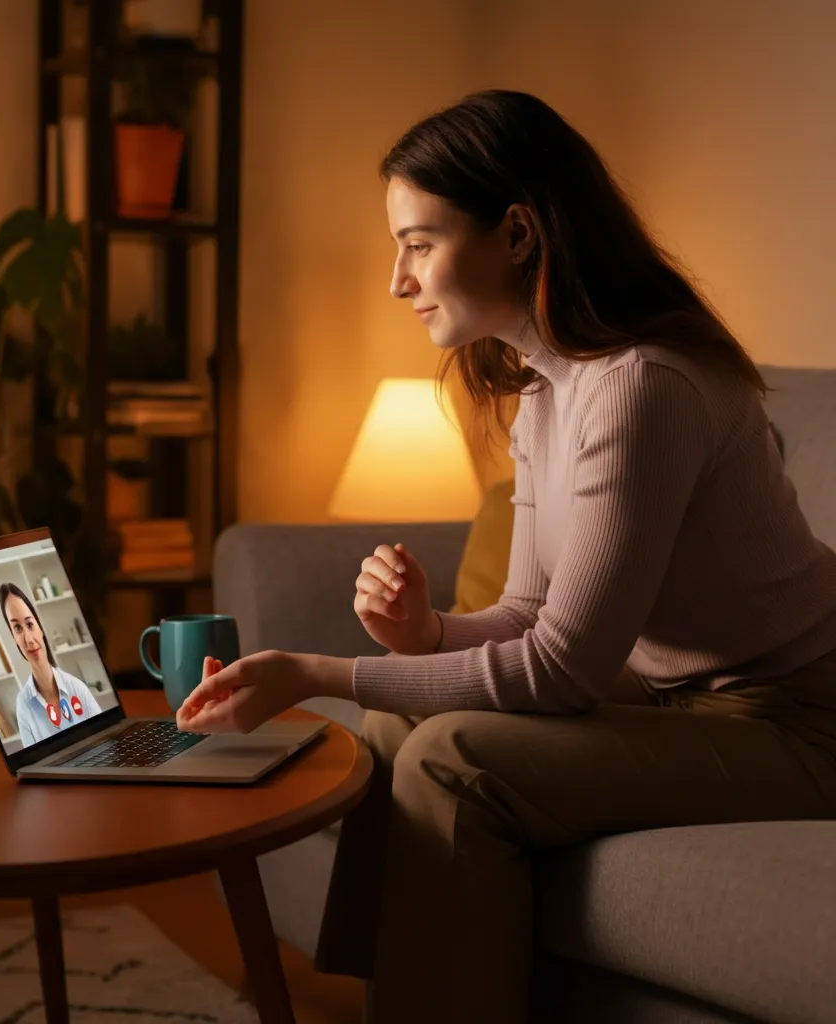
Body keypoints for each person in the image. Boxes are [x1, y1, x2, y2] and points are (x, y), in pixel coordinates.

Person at [175, 90, 836, 1022]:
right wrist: (428, 629)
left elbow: (563, 672)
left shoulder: (642, 389)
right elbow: (532, 615)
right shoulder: (547, 392)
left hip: (807, 719)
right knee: (401, 735)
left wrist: (314, 671)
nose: (397, 282)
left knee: (454, 761)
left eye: (417, 243)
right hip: (696, 701)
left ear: (518, 232)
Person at [0, 582, 102, 748]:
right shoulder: (24, 704)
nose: (29, 639)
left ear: (40, 628)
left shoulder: (77, 688)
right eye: (17, 628)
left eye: (30, 624)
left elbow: (107, 742)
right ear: (14, 638)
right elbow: (33, 764)